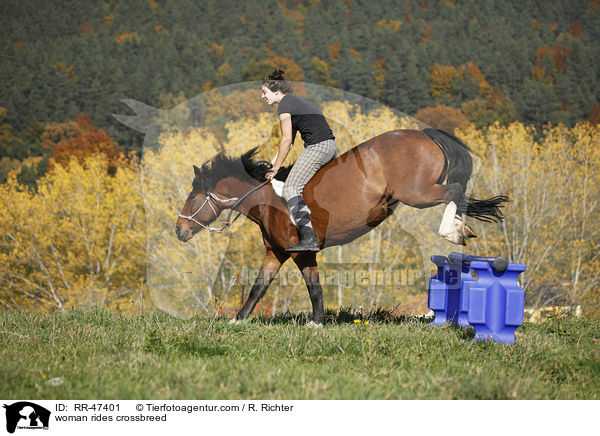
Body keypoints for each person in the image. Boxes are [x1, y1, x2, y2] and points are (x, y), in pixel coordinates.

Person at [261, 69, 337, 252]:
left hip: (318, 147)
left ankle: (309, 238)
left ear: (276, 91)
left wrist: (275, 169)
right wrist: (274, 165)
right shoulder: (293, 102)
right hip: (328, 146)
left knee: (290, 188)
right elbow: (290, 142)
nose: (262, 96)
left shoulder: (284, 105)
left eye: (265, 92)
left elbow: (286, 141)